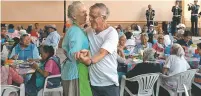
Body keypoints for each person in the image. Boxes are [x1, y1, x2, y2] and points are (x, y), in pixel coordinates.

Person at [77, 3, 119, 96]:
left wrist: (89, 61)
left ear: (103, 18)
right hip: (93, 83)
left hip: (109, 84)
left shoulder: (111, 33)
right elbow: (76, 38)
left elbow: (102, 53)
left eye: (93, 16)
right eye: (90, 16)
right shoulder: (89, 30)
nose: (90, 19)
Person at [61, 1, 92, 96]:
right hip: (76, 72)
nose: (86, 14)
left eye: (86, 11)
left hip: (73, 71)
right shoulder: (76, 31)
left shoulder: (76, 29)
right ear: (74, 16)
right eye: (83, 12)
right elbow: (75, 54)